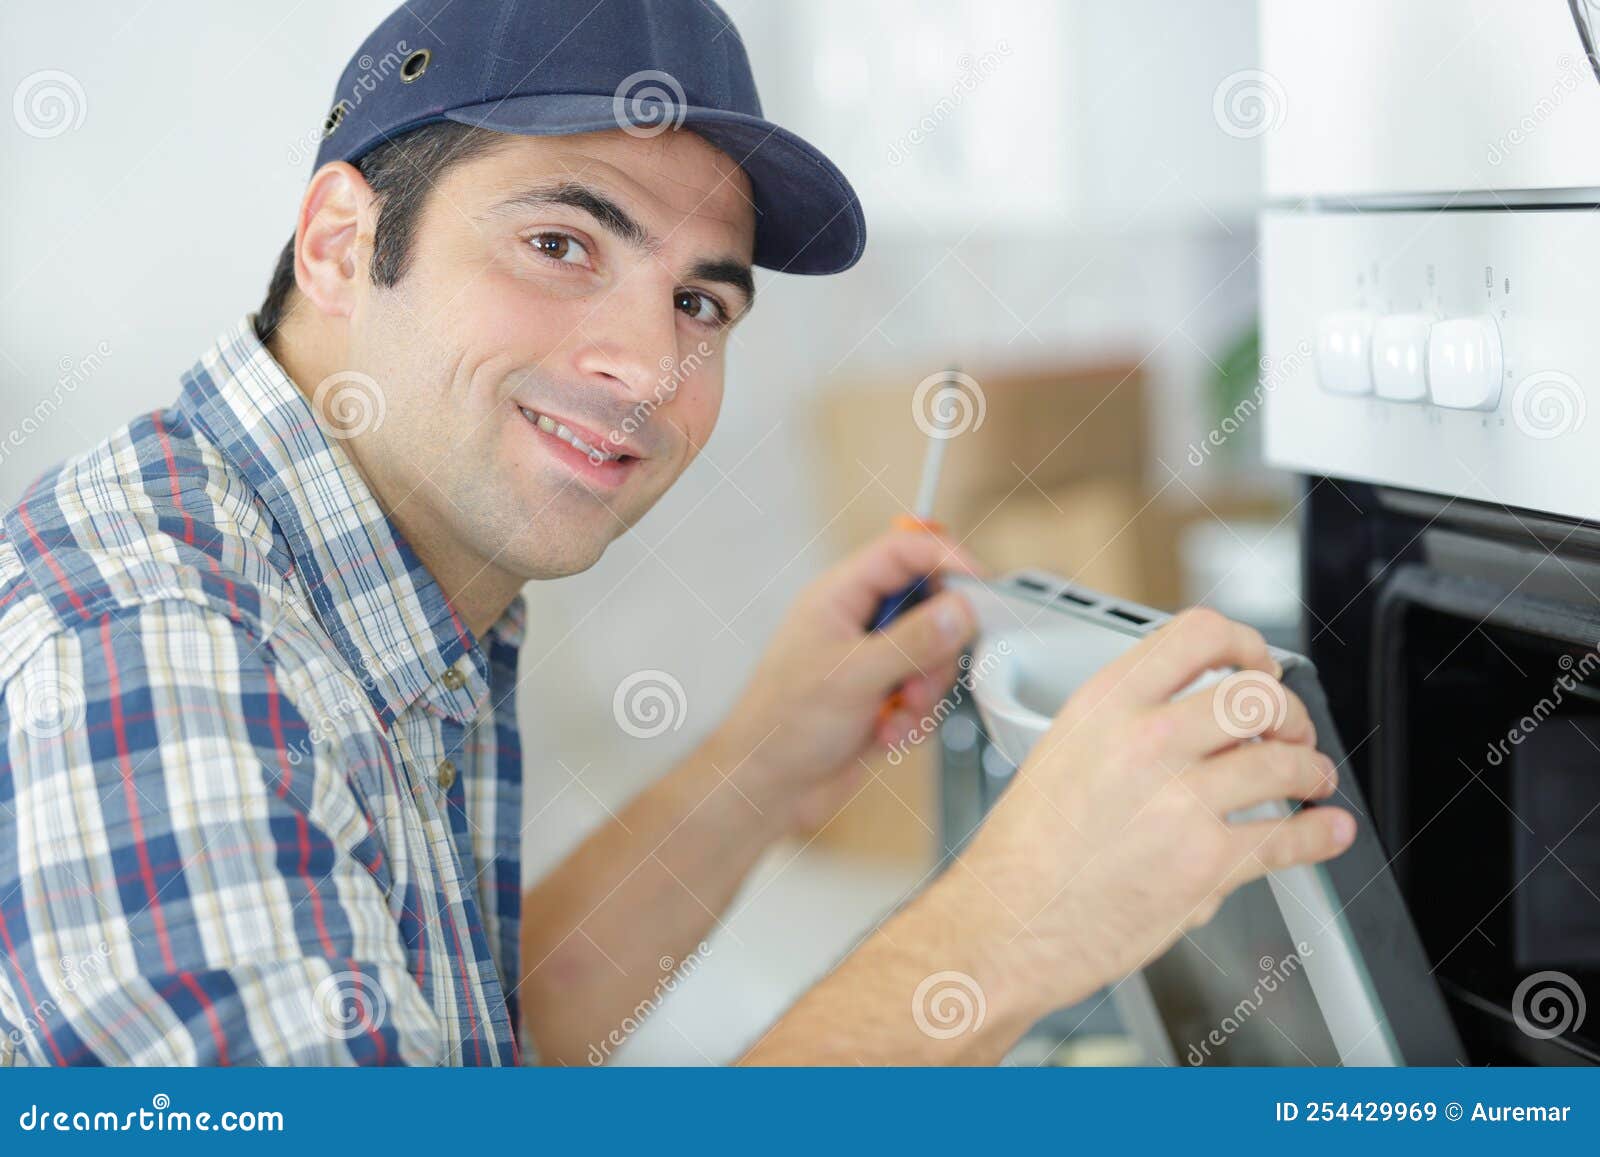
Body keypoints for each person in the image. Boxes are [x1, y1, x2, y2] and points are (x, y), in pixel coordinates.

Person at [0, 0, 1352, 1066]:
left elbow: (475, 1046)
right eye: (563, 244)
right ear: (342, 245)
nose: (647, 366)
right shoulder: (161, 659)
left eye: (701, 305)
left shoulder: (368, 581)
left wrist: (765, 761)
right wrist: (1016, 927)